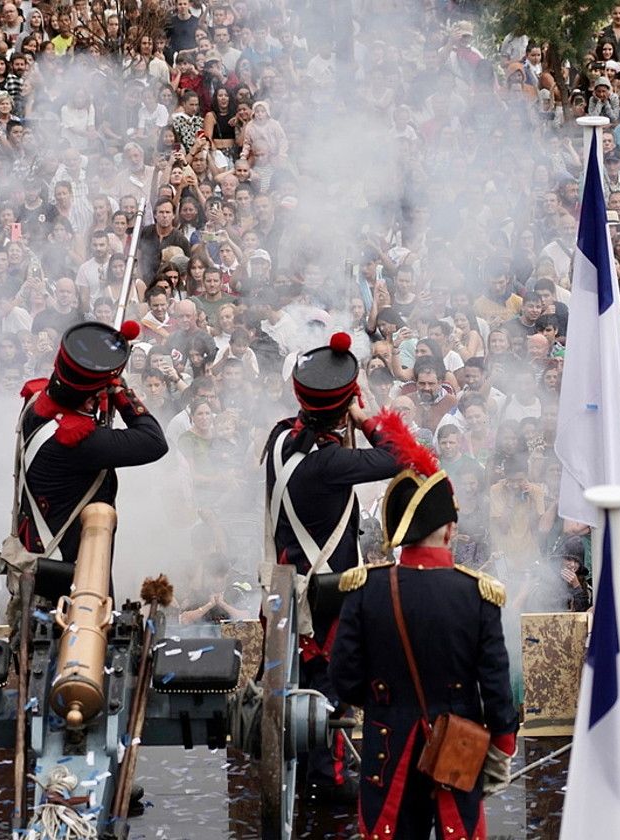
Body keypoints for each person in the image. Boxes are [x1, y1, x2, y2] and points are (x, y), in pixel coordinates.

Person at [331, 453, 515, 839]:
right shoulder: (477, 594)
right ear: (449, 531)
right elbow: (495, 684)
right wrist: (501, 745)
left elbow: (345, 677)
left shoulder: (365, 588)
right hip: (458, 746)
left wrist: (387, 701)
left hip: (386, 742)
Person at [262, 331, 403, 797]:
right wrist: (364, 420)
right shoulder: (332, 462)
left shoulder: (281, 437)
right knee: (330, 681)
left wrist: (342, 417)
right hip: (325, 589)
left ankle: (303, 768)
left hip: (288, 580)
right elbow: (400, 455)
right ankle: (329, 775)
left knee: (299, 680)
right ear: (344, 407)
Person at [14, 321, 168, 563]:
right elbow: (154, 441)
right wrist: (121, 391)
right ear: (89, 401)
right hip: (70, 563)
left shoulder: (36, 404)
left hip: (37, 547)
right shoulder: (79, 441)